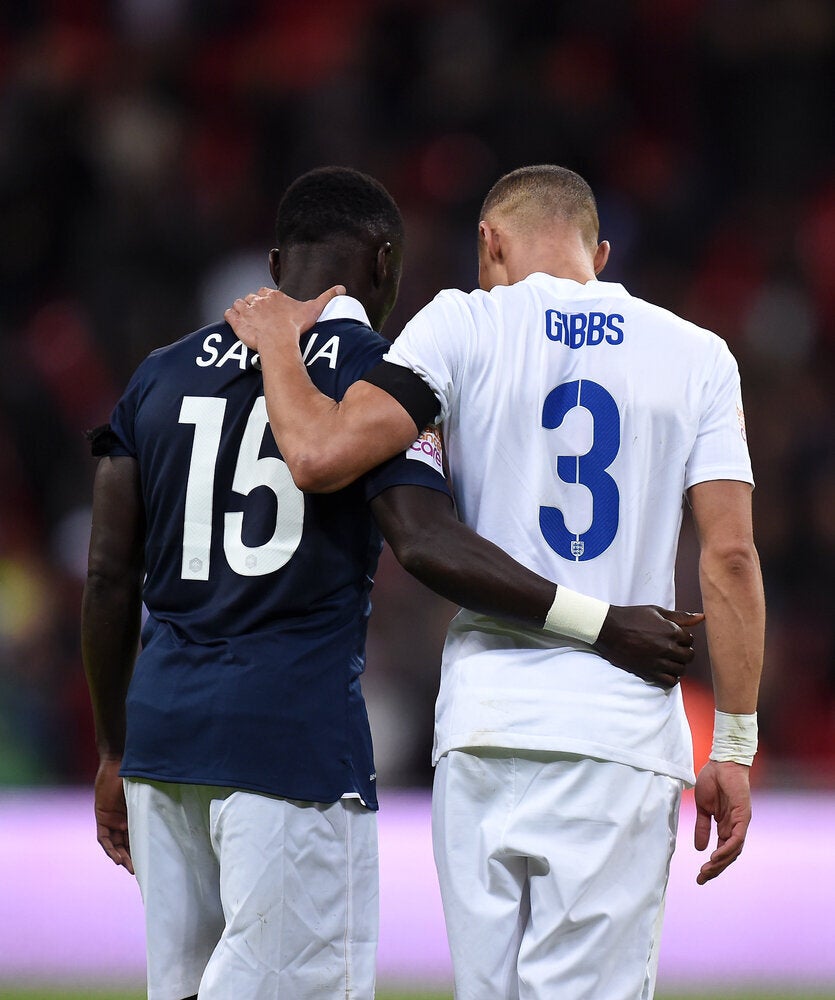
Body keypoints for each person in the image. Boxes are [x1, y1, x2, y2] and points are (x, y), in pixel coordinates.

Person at [82, 166, 701, 1000]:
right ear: (381, 262)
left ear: (275, 262)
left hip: (160, 742)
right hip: (288, 743)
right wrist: (601, 622)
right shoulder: (380, 371)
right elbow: (420, 535)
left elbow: (108, 575)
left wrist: (114, 748)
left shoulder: (158, 374)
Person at [225, 164, 765, 1000]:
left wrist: (276, 352)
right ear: (600, 254)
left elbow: (319, 455)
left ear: (490, 242)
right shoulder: (697, 354)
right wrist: (731, 744)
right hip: (617, 735)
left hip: (483, 725)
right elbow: (728, 557)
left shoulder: (457, 325)